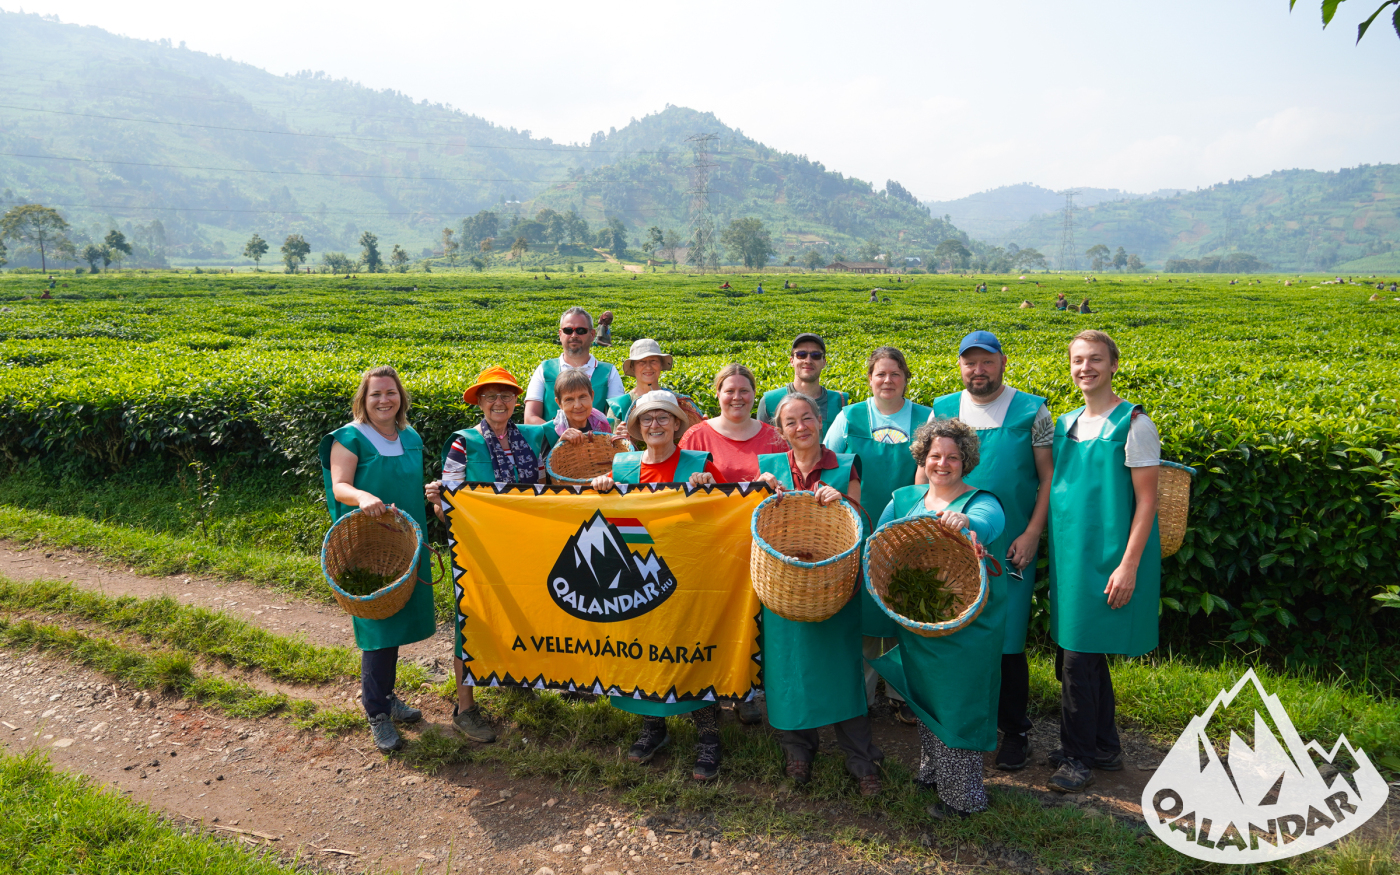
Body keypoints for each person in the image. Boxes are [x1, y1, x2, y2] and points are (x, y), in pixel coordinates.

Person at [922, 331, 1053, 771]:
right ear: (960, 365)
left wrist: (1033, 531)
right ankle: (953, 725)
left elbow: (1047, 477)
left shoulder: (1032, 409)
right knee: (954, 631)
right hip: (950, 543)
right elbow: (925, 475)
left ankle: (1014, 731)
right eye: (970, 363)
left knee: (1008, 638)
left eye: (987, 362)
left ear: (1002, 362)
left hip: (1009, 542)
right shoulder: (942, 408)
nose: (978, 370)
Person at [871, 419, 1007, 819]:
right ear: (922, 458)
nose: (942, 464)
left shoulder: (980, 500)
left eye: (952, 456)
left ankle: (964, 799)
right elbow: (880, 542)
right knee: (926, 698)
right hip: (919, 620)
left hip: (966, 624)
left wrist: (967, 523)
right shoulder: (905, 498)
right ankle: (933, 773)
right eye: (934, 456)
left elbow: (988, 521)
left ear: (965, 461)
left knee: (957, 703)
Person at [1046, 330, 1161, 793]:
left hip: (1111, 556)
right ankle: (1105, 745)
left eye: (1095, 359)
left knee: (1077, 659)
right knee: (1081, 654)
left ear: (1113, 364)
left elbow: (1147, 502)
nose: (1085, 368)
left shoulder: (1133, 423)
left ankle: (1077, 758)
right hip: (1072, 556)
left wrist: (1129, 564)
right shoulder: (1065, 423)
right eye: (1077, 360)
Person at [589, 391, 725, 780]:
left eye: (663, 418)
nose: (655, 426)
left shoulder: (698, 465)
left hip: (688, 580)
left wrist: (708, 488)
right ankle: (653, 728)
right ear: (637, 428)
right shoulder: (624, 467)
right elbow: (604, 515)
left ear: (677, 425)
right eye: (647, 420)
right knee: (644, 651)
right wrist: (601, 486)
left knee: (691, 652)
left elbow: (722, 519)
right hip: (637, 580)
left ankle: (709, 736)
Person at [754, 394, 883, 796]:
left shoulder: (844, 465)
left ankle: (861, 759)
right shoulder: (769, 468)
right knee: (789, 669)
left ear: (820, 419)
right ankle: (799, 752)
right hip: (784, 588)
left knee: (841, 670)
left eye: (807, 418)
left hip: (833, 585)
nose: (800, 427)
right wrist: (757, 491)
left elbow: (861, 521)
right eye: (790, 422)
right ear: (781, 430)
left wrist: (841, 498)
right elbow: (751, 519)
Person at [425, 366, 553, 743]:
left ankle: (513, 677)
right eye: (490, 396)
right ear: (479, 402)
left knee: (519, 612)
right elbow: (445, 503)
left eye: (506, 395)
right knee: (472, 620)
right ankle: (464, 708)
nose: (499, 402)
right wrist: (441, 503)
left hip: (525, 546)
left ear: (517, 401)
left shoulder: (532, 437)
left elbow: (547, 484)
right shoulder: (464, 442)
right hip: (477, 549)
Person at [320, 366, 436, 753]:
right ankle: (376, 712)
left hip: (405, 545)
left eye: (390, 393)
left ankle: (386, 697)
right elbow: (340, 485)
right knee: (378, 629)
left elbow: (406, 484)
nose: (384, 400)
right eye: (375, 395)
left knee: (397, 616)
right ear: (363, 400)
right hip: (370, 549)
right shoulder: (350, 437)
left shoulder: (410, 436)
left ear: (400, 396)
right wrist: (362, 497)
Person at [823, 347, 933, 724]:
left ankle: (903, 693)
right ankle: (864, 692)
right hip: (859, 526)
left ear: (906, 378)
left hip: (908, 525)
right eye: (880, 374)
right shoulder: (849, 416)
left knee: (904, 607)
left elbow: (931, 469)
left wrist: (917, 519)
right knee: (866, 611)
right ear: (869, 378)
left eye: (895, 374)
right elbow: (829, 461)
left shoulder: (925, 416)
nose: (888, 381)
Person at [679, 363, 789, 725]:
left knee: (754, 618)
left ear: (754, 394)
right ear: (718, 393)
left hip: (760, 543)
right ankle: (714, 686)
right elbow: (677, 491)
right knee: (717, 616)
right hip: (713, 544)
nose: (737, 397)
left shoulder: (774, 439)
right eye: (730, 390)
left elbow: (789, 489)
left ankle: (747, 690)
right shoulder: (697, 436)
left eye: (744, 390)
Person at [523, 307, 624, 423]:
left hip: (595, 440)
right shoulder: (544, 369)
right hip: (551, 441)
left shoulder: (608, 372)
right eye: (568, 330)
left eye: (581, 330)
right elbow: (530, 417)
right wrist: (561, 435)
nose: (574, 335)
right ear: (560, 334)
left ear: (592, 335)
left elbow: (615, 419)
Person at [756, 333, 848, 439]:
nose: (808, 360)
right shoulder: (769, 402)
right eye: (801, 354)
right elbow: (762, 447)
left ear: (824, 362)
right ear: (792, 361)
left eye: (816, 355)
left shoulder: (841, 401)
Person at [606, 338, 705, 433]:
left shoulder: (677, 401)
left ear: (661, 365)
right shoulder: (620, 406)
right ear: (632, 367)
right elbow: (609, 445)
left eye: (653, 361)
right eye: (641, 362)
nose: (648, 367)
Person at [551, 368, 611, 446]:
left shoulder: (602, 424)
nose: (578, 406)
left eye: (582, 397)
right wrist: (560, 443)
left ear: (591, 396)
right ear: (559, 403)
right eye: (569, 399)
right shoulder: (549, 433)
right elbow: (546, 458)